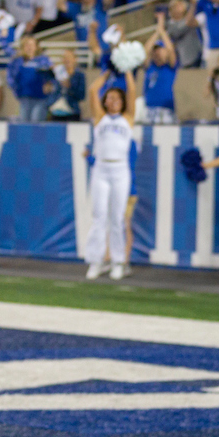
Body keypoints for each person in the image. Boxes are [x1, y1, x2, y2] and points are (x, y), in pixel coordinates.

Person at [85, 69, 136, 281]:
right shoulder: (100, 118)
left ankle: (117, 261)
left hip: (120, 170)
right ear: (105, 101)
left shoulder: (128, 118)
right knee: (98, 216)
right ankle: (96, 261)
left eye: (117, 98)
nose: (114, 101)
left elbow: (132, 91)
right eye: (110, 98)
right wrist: (107, 72)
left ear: (122, 102)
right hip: (101, 169)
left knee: (117, 218)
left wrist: (127, 70)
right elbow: (92, 90)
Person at [7, 35, 56, 122]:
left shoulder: (43, 60)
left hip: (40, 98)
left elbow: (51, 76)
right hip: (24, 98)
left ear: (36, 47)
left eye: (32, 45)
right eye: (27, 45)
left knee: (36, 122)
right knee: (24, 122)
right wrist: (17, 91)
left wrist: (49, 84)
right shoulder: (17, 61)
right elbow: (11, 78)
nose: (29, 47)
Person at [142, 14, 178, 124]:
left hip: (166, 108)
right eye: (155, 50)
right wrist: (157, 33)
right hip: (149, 108)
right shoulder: (150, 66)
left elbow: (171, 50)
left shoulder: (170, 67)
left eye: (160, 49)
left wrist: (162, 32)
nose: (157, 52)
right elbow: (145, 51)